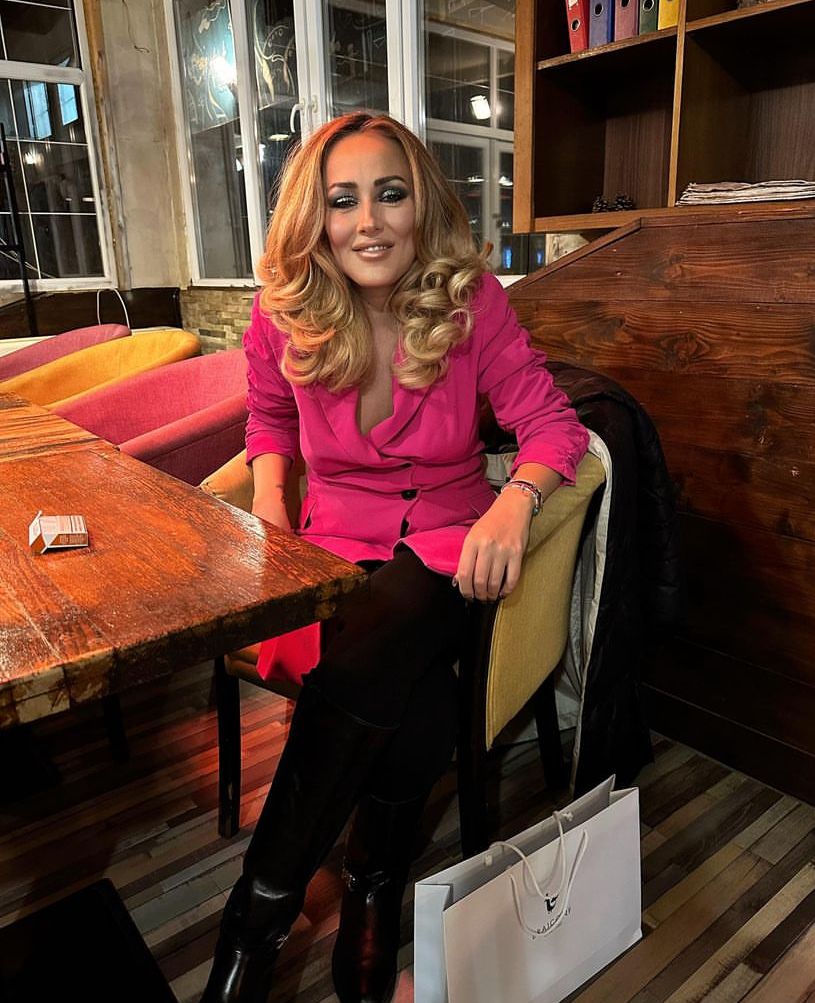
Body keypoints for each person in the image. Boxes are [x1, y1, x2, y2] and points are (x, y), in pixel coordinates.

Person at [201, 111, 589, 1003]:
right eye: (343, 201)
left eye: (390, 194)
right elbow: (269, 419)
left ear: (422, 205)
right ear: (317, 218)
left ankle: (252, 931)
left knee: (391, 625)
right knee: (410, 694)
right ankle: (374, 888)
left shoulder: (471, 302)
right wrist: (269, 505)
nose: (368, 221)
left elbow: (550, 425)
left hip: (450, 548)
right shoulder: (281, 313)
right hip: (332, 545)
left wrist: (514, 503)